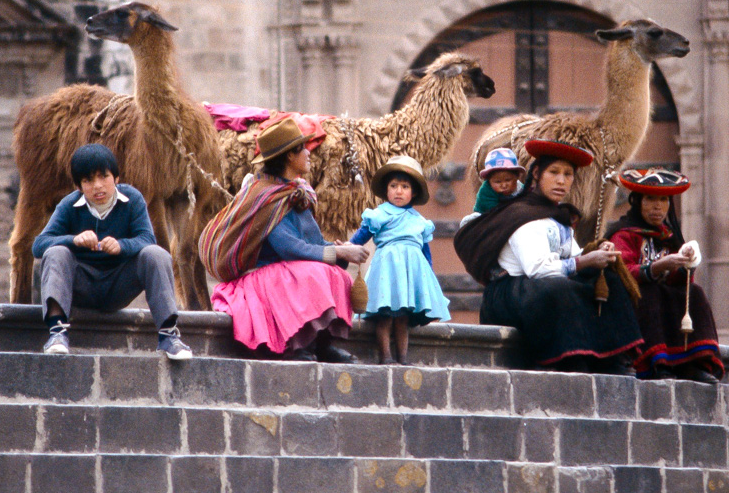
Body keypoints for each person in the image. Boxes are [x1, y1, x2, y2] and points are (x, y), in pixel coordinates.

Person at [454, 139, 643, 374]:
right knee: (557, 288)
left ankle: (610, 357)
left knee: (610, 281)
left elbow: (572, 255)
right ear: (536, 174)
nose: (561, 181)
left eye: (568, 174)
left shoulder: (557, 216)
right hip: (512, 292)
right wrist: (584, 261)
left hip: (540, 286)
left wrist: (596, 254)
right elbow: (538, 269)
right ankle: (566, 358)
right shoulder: (520, 214)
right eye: (553, 172)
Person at [201, 118, 369, 362]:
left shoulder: (295, 192)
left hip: (292, 270)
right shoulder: (267, 196)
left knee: (336, 275)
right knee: (311, 274)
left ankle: (322, 343)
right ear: (289, 156)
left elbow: (313, 242)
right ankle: (295, 343)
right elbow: (288, 247)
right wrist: (337, 254)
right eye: (302, 149)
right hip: (266, 276)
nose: (309, 153)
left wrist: (339, 250)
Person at [33, 144, 192, 360]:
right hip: (83, 285)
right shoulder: (68, 205)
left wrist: (122, 246)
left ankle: (168, 335)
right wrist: (73, 240)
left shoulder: (132, 199)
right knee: (56, 252)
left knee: (156, 254)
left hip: (119, 284)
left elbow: (147, 238)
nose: (97, 186)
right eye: (88, 180)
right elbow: (39, 244)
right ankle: (57, 332)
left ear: (116, 178)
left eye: (103, 177)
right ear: (79, 186)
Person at [605, 168, 723, 384]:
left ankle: (692, 362)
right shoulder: (623, 234)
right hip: (630, 302)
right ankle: (656, 363)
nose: (658, 206)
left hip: (659, 297)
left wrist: (684, 266)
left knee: (694, 292)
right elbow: (622, 272)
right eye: (650, 199)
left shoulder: (669, 238)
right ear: (637, 201)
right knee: (649, 293)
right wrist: (656, 268)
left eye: (663, 200)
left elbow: (676, 282)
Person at [349, 155, 450, 364]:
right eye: (393, 186)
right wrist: (347, 249)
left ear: (413, 193)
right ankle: (386, 357)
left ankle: (403, 358)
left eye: (404, 186)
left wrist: (428, 283)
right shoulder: (379, 214)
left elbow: (425, 251)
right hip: (388, 269)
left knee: (402, 319)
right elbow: (360, 237)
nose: (398, 191)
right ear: (386, 190)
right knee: (385, 316)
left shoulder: (420, 221)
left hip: (411, 272)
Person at [474, 148, 526, 214]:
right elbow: (493, 210)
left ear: (517, 177)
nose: (504, 185)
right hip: (487, 215)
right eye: (498, 182)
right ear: (489, 181)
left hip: (515, 212)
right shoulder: (486, 192)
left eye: (508, 180)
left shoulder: (521, 188)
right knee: (468, 220)